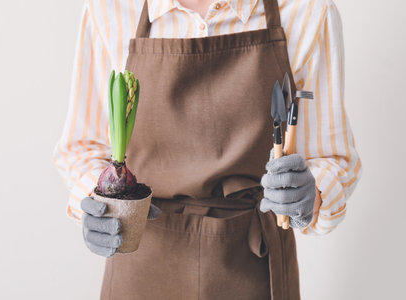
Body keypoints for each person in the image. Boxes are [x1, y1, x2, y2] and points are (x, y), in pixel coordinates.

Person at [53, 0, 362, 299]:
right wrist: (98, 206)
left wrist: (311, 195)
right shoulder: (109, 10)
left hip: (253, 266)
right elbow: (82, 148)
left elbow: (332, 157)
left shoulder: (307, 11)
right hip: (140, 264)